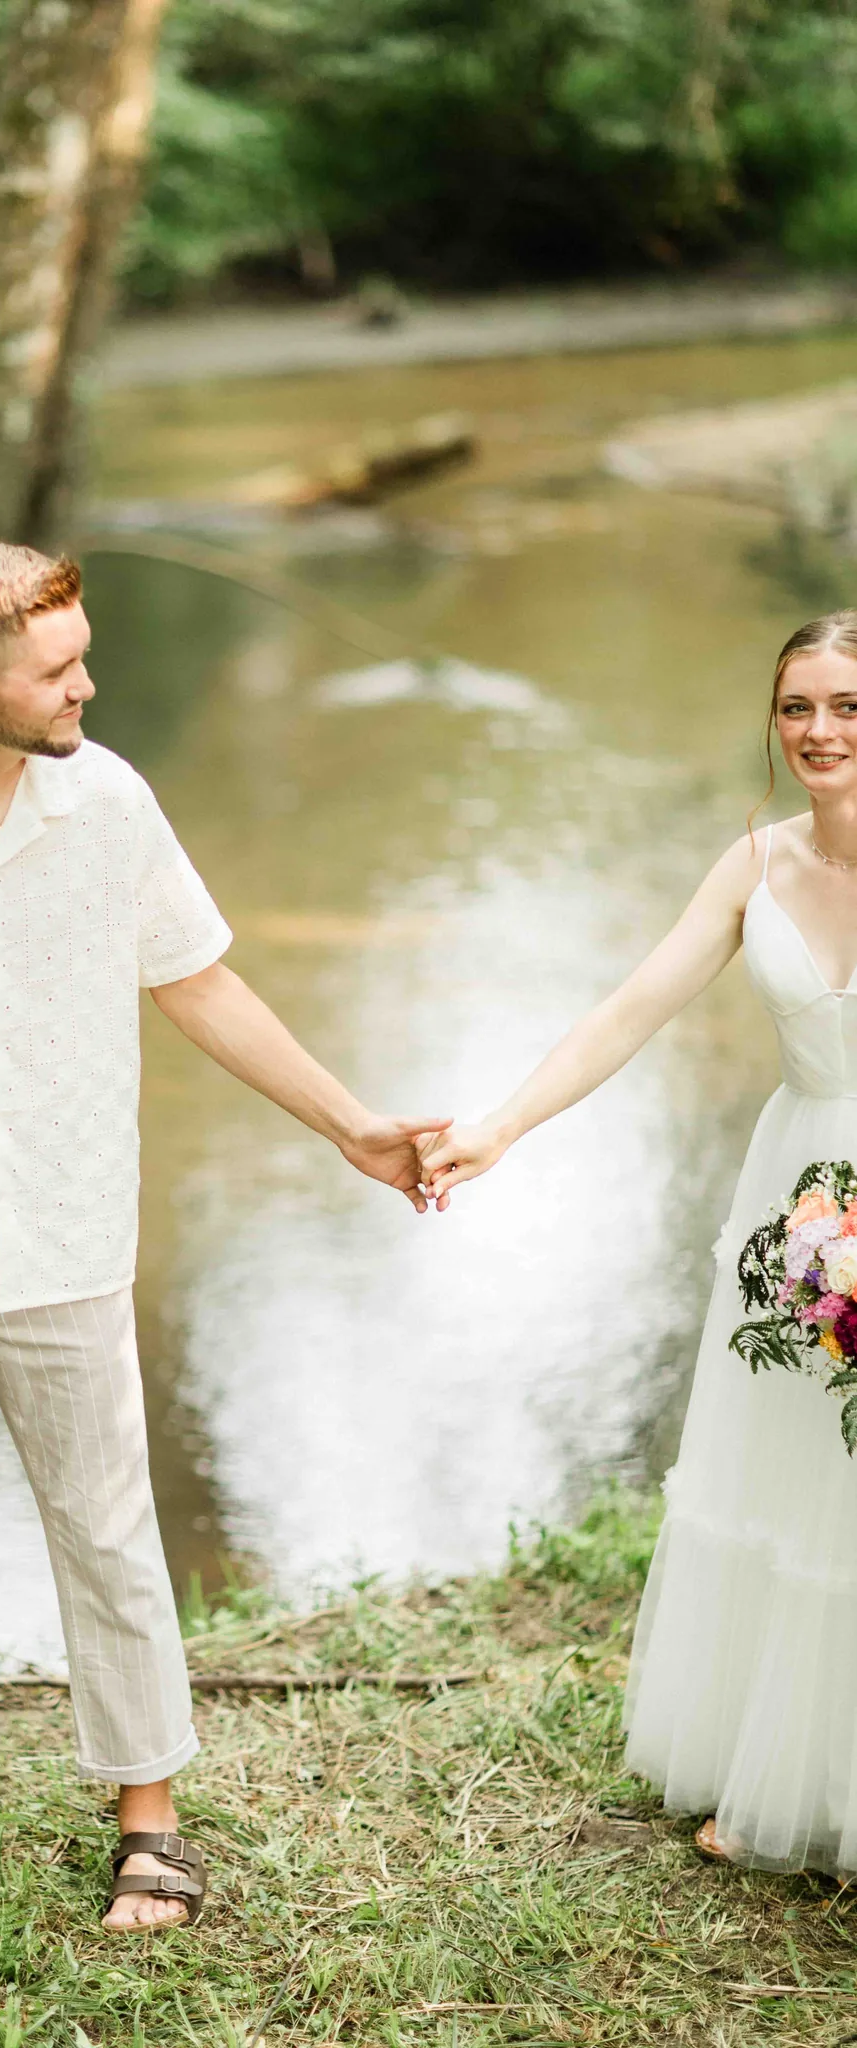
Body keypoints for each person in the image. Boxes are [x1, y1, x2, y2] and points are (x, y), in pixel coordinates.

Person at [0, 540, 447, 1931]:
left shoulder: (105, 803)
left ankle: (147, 1816)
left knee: (106, 1525)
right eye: (61, 669)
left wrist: (350, 1126)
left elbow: (200, 983)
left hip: (67, 1224)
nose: (90, 685)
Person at [419, 609, 857, 1875]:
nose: (819, 731)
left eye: (846, 704)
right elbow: (630, 1008)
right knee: (795, 1473)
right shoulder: (755, 865)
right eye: (796, 707)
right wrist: (499, 1125)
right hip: (800, 1205)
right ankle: (795, 1772)